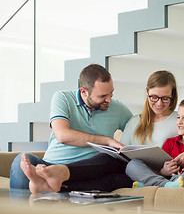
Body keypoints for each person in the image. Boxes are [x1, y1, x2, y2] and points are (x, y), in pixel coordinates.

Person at [19, 70, 184, 193]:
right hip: (135, 172)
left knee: (117, 176)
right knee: (120, 166)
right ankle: (58, 182)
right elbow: (123, 153)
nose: (159, 103)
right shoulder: (133, 120)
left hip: (158, 176)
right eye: (154, 97)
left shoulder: (181, 120)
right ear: (146, 94)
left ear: (173, 97)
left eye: (166, 98)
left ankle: (61, 177)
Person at [10, 64, 134, 192]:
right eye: (102, 96)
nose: (109, 100)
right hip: (51, 166)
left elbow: (140, 129)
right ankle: (23, 210)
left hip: (89, 170)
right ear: (84, 92)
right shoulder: (63, 98)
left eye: (111, 93)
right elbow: (62, 135)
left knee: (121, 174)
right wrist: (107, 140)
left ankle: (51, 187)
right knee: (21, 160)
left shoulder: (117, 109)